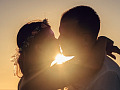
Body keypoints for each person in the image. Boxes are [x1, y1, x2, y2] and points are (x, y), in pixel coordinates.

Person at [58, 6, 120, 90]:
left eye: (64, 35)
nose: (59, 39)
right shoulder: (71, 66)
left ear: (85, 39)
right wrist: (102, 41)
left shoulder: (107, 74)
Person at [15, 19, 65, 90]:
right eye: (52, 38)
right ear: (39, 48)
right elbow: (81, 68)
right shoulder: (42, 78)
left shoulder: (27, 78)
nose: (57, 40)